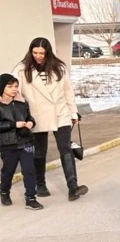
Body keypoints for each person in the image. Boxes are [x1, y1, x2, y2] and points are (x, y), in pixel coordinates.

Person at [13, 38, 89, 202]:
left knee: (65, 148)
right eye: (35, 52)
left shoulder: (59, 67)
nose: (38, 56)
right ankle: (40, 184)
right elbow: (16, 93)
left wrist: (73, 112)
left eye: (42, 53)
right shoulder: (21, 69)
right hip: (36, 114)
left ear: (48, 52)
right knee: (40, 151)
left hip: (60, 112)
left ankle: (73, 187)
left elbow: (68, 91)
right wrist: (21, 115)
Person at [0, 74, 43, 210]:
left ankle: (31, 198)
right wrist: (14, 125)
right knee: (8, 172)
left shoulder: (22, 103)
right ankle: (4, 192)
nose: (14, 89)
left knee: (29, 170)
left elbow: (29, 117)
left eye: (16, 86)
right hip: (8, 144)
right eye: (10, 86)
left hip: (26, 142)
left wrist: (31, 123)